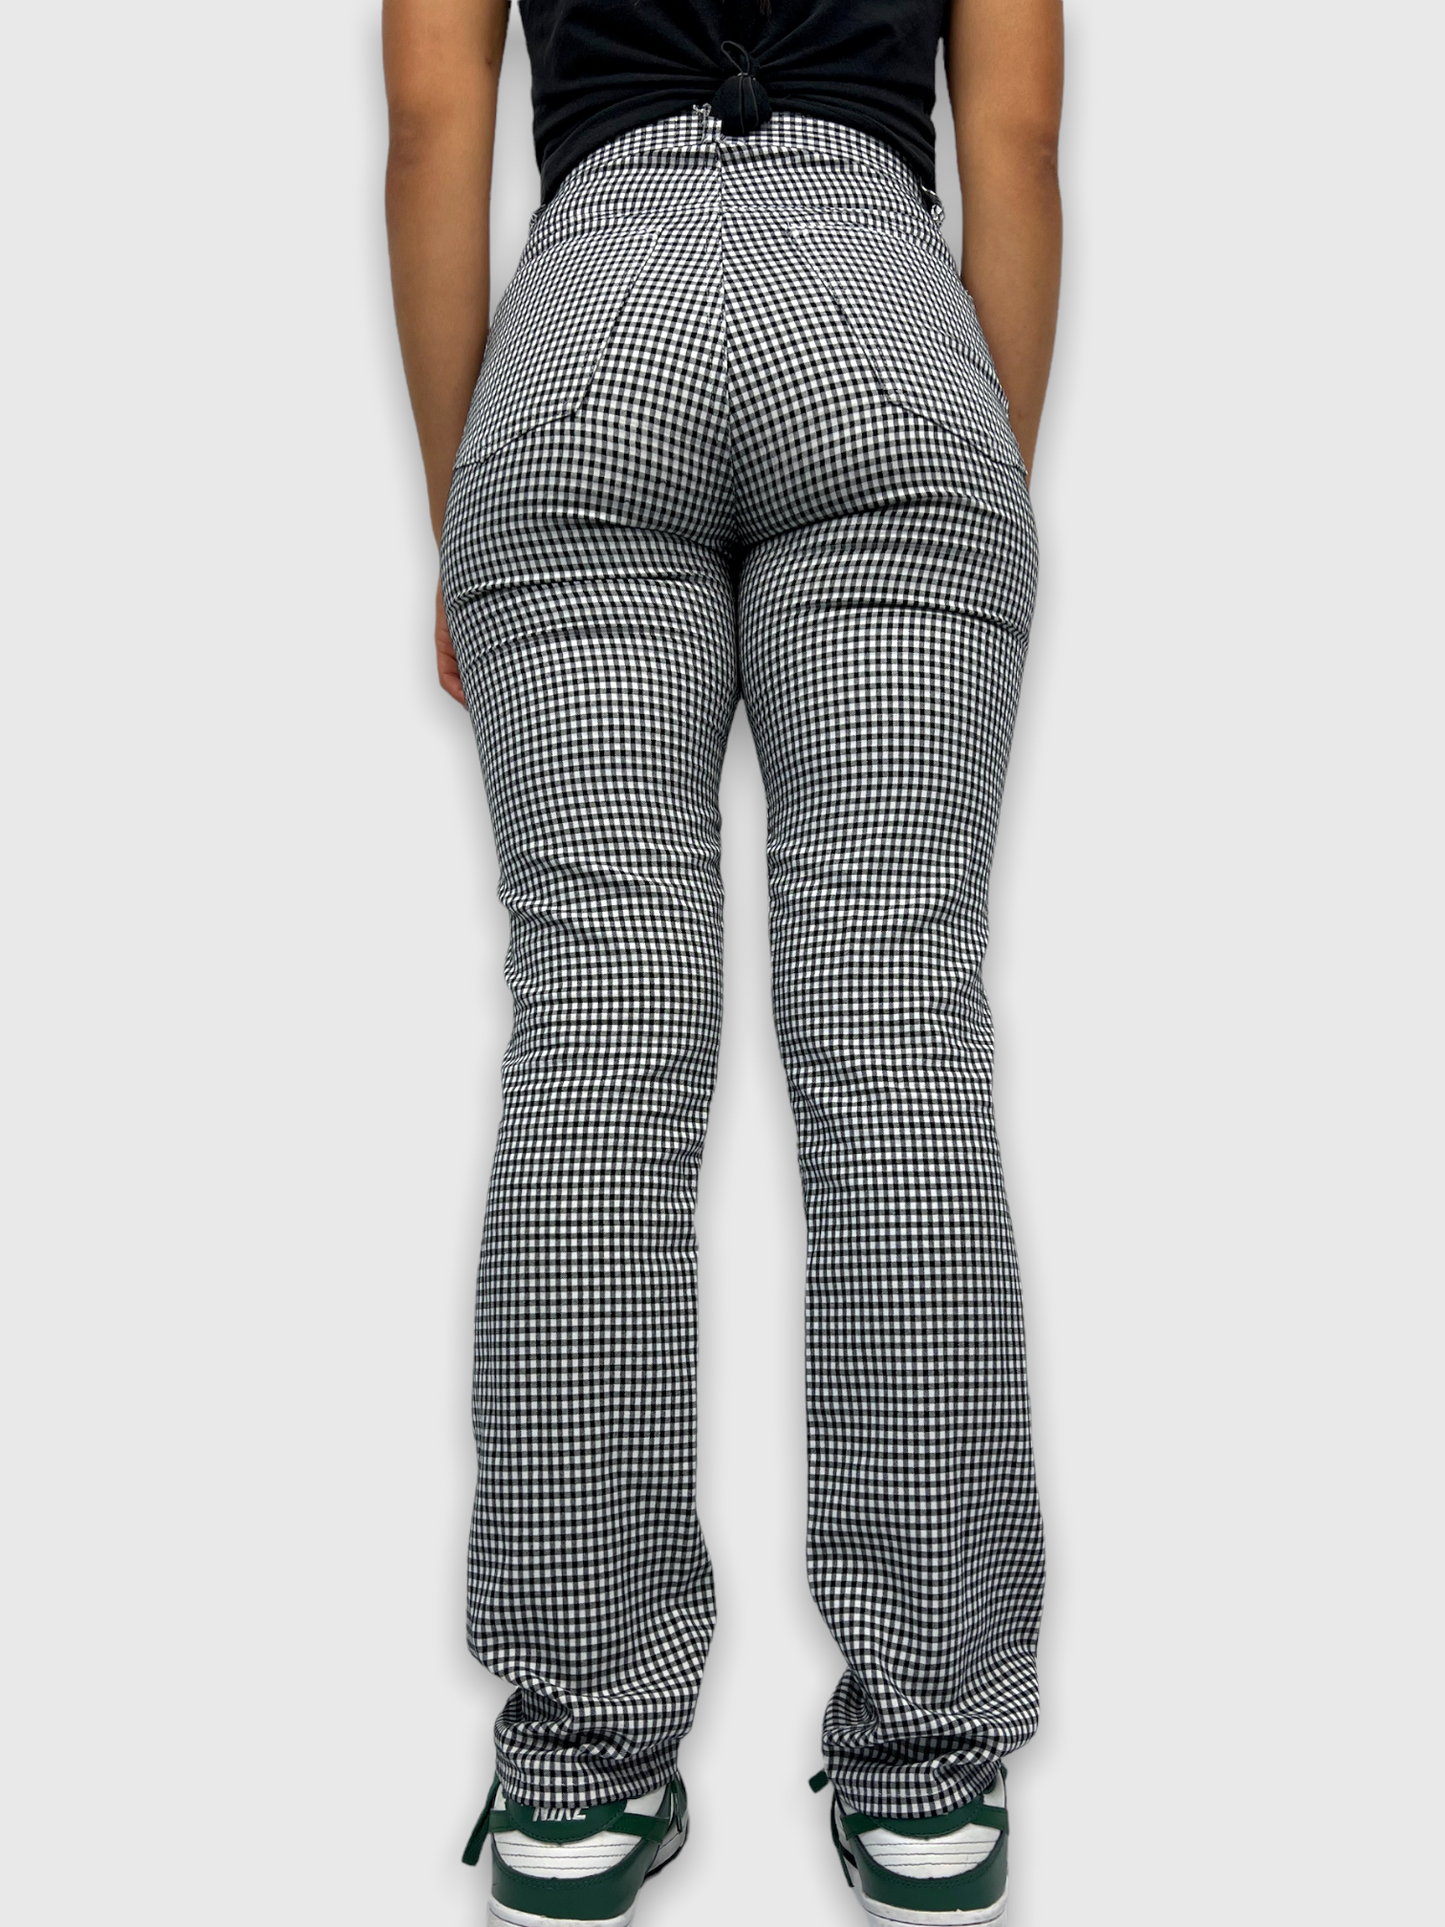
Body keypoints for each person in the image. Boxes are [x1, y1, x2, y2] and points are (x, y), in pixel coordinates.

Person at [383, 2, 1063, 1920]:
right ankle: (930, 1771)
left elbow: (432, 120)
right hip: (883, 322)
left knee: (595, 1055)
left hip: (585, 337)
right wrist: (972, 460)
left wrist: (462, 504)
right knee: (898, 1041)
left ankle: (578, 1772)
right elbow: (1015, 142)